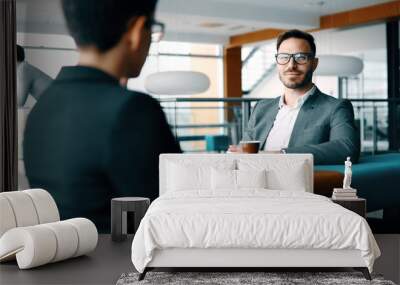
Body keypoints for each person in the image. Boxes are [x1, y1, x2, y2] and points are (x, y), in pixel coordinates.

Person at [23, 0, 181, 233]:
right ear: (137, 31)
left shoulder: (43, 107)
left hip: (64, 258)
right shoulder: (133, 111)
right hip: (126, 263)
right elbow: (179, 210)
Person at [238, 29, 360, 165]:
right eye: (284, 57)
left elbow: (346, 148)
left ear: (314, 63)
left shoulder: (335, 107)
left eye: (301, 57)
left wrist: (282, 155)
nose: (291, 65)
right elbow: (244, 153)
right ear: (277, 62)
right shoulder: (261, 107)